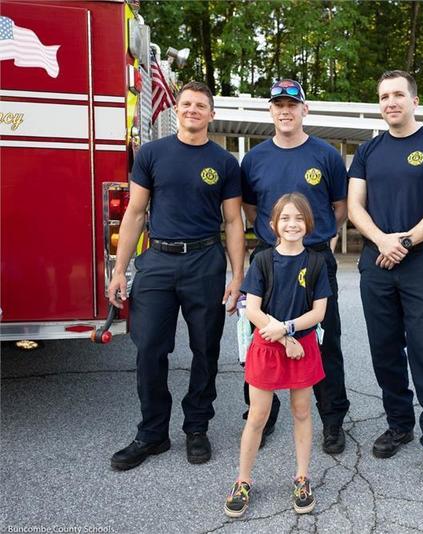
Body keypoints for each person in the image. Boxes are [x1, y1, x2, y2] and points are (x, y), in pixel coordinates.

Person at [108, 81, 245, 470]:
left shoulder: (224, 163)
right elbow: (134, 214)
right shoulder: (151, 154)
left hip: (205, 261)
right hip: (158, 262)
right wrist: (120, 269)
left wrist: (237, 278)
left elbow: (233, 222)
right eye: (186, 104)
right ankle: (152, 434)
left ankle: (197, 428)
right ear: (177, 109)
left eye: (201, 105)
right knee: (150, 348)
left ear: (211, 114)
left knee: (206, 349)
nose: (193, 110)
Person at [347, 70, 423, 491]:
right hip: (376, 262)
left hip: (420, 264)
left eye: (398, 95)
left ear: (414, 100)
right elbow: (355, 206)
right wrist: (382, 241)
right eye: (384, 96)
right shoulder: (367, 151)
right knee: (385, 351)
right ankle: (400, 425)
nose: (391, 102)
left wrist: (406, 241)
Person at [240, 79, 349, 455]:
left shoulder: (326, 155)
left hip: (315, 257)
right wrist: (277, 240)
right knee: (263, 336)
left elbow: (340, 206)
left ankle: (333, 420)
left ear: (305, 109)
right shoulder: (254, 159)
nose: (285, 111)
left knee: (324, 340)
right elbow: (252, 210)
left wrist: (323, 243)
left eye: (292, 104)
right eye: (278, 105)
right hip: (270, 259)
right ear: (271, 111)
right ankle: (261, 415)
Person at [224, 193, 331, 518]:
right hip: (270, 346)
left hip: (303, 345)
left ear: (307, 224)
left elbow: (319, 312)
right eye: (285, 218)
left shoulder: (315, 262)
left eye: (298, 218)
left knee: (301, 412)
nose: (292, 224)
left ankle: (302, 477)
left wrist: (288, 328)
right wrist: (286, 338)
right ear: (273, 225)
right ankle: (243, 480)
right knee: (257, 416)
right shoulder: (264, 261)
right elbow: (252, 310)